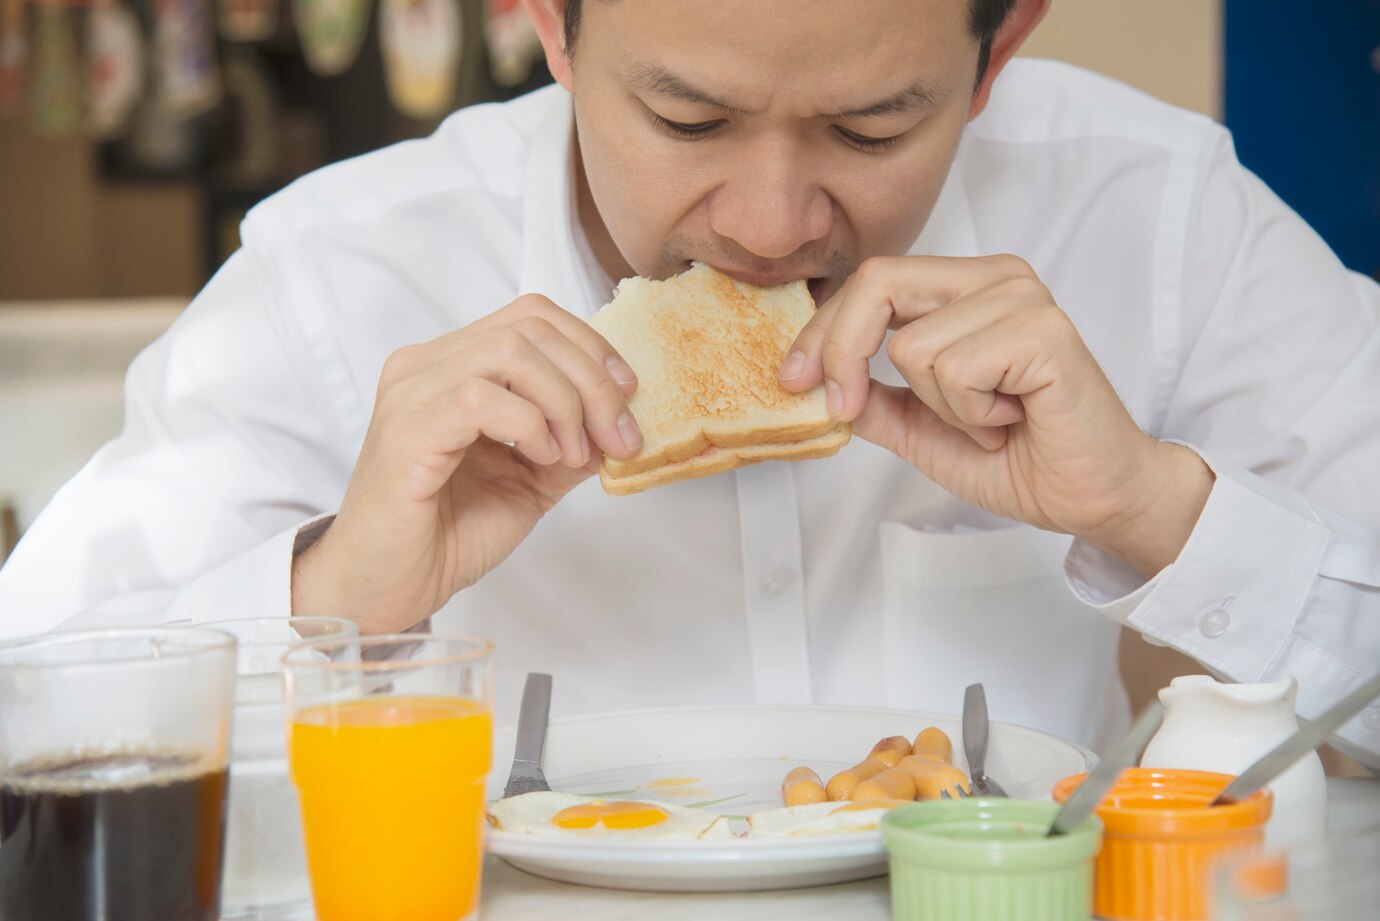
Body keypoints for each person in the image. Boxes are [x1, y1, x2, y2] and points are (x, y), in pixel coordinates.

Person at [1, 0, 1376, 761]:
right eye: (688, 119)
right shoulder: (337, 274)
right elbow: (28, 715)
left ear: (1000, 49)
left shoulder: (1157, 210)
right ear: (546, 23)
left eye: (873, 124)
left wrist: (1154, 508)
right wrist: (342, 588)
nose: (771, 222)